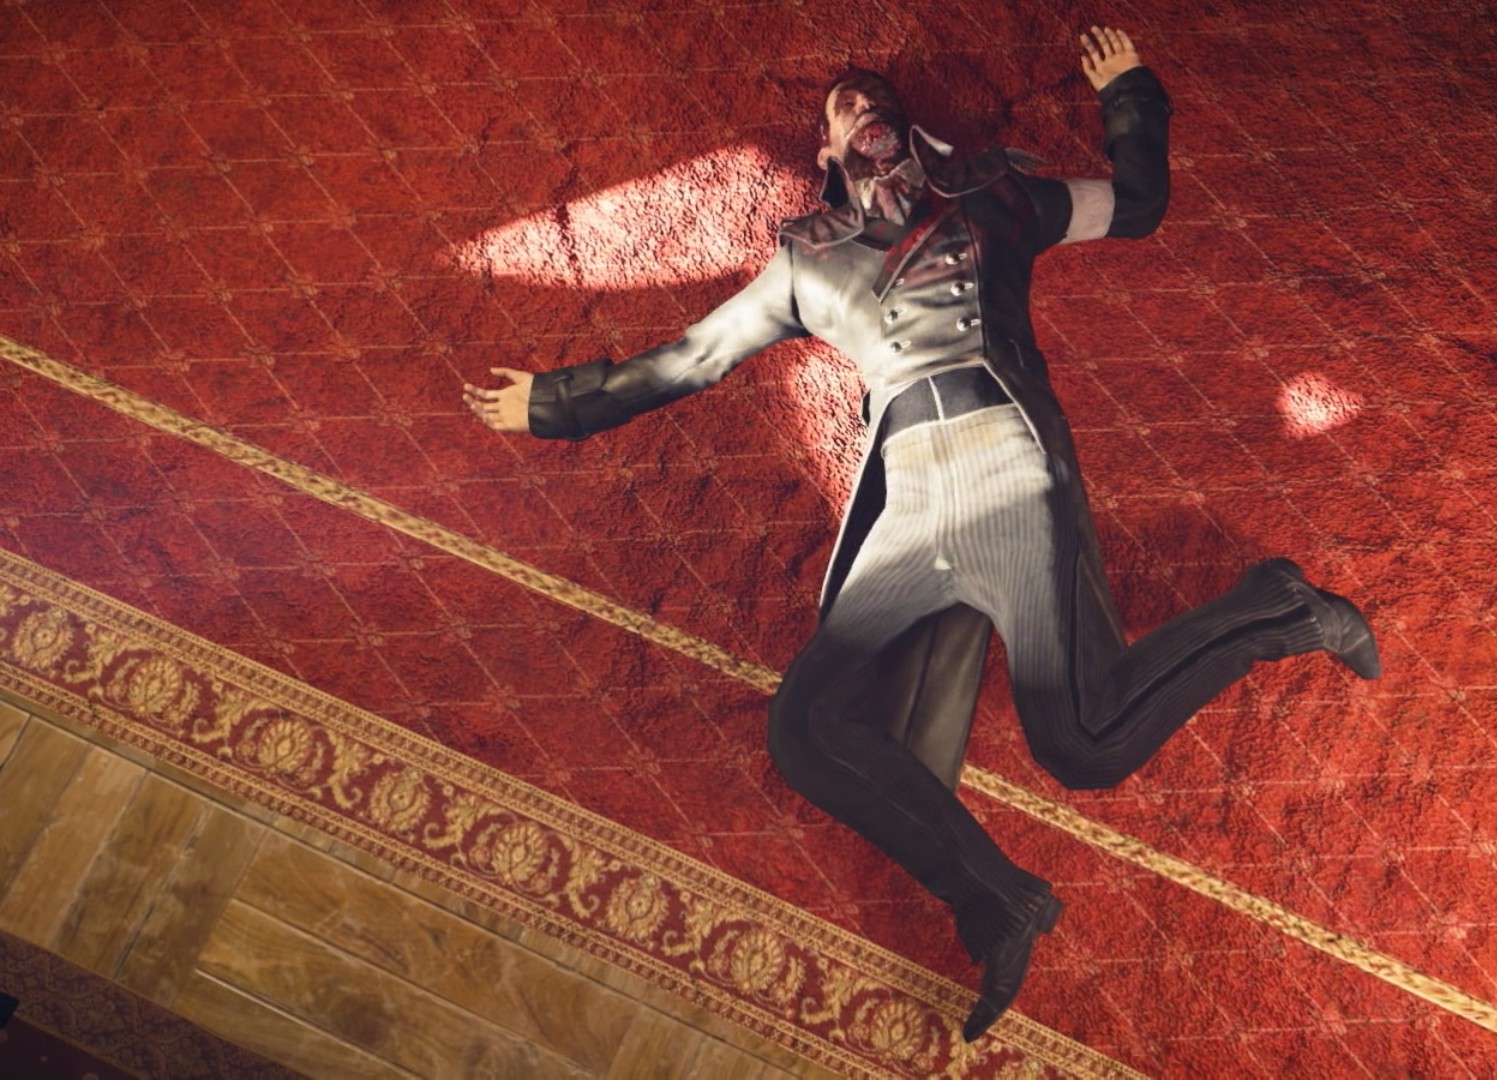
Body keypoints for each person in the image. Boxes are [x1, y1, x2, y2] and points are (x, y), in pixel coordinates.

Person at [464, 26, 1378, 1042]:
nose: (863, 105)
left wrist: (1130, 96)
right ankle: (998, 901)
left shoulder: (999, 198)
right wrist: (557, 402)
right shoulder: (804, 264)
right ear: (826, 154)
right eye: (843, 103)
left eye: (875, 96)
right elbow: (690, 359)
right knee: (806, 731)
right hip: (908, 502)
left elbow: (1139, 205)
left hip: (1006, 461)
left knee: (1082, 746)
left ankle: (1279, 611)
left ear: (913, 130)